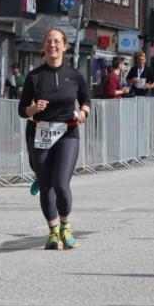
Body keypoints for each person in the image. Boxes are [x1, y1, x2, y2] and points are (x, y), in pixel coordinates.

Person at [18, 28, 90, 250]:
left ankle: (66, 227)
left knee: (60, 182)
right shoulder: (34, 76)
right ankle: (52, 232)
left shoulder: (75, 75)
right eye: (49, 41)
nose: (53, 45)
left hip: (68, 133)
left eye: (57, 42)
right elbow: (22, 110)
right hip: (40, 133)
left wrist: (83, 113)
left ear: (65, 46)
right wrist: (33, 108)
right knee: (47, 185)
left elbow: (86, 101)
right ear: (44, 46)